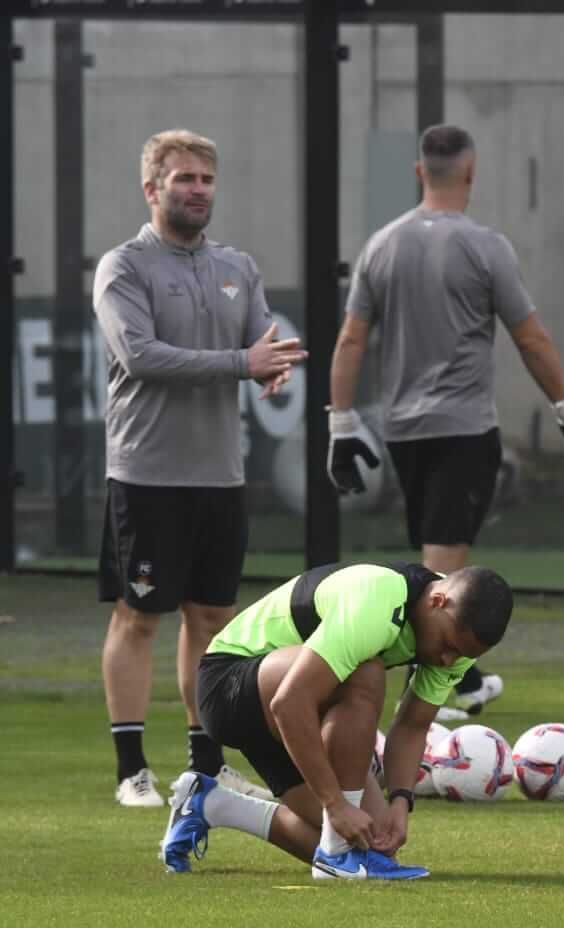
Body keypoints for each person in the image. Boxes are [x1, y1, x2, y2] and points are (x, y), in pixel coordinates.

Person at [328, 124, 564, 723]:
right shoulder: (485, 245)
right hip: (464, 427)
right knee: (444, 562)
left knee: (436, 554)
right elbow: (530, 336)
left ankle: (460, 680)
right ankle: (438, 691)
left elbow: (350, 339)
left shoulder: (381, 245)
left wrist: (341, 424)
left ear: (421, 172)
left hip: (402, 431)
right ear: (469, 173)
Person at [93, 129, 307, 807]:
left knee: (214, 620)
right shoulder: (124, 267)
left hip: (220, 475)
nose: (197, 190)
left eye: (207, 180)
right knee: (138, 617)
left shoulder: (237, 265)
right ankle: (132, 769)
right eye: (183, 178)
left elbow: (261, 339)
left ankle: (203, 764)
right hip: (146, 473)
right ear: (151, 188)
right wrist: (244, 364)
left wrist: (270, 370)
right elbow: (141, 357)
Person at [159, 562, 513, 880]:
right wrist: (336, 805)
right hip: (229, 684)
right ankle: (333, 855)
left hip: (296, 710)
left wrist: (401, 802)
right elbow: (289, 702)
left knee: (375, 845)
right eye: (448, 645)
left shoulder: (457, 645)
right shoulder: (377, 601)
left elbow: (413, 725)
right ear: (437, 601)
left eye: (463, 655)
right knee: (366, 672)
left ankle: (210, 803)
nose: (449, 660)